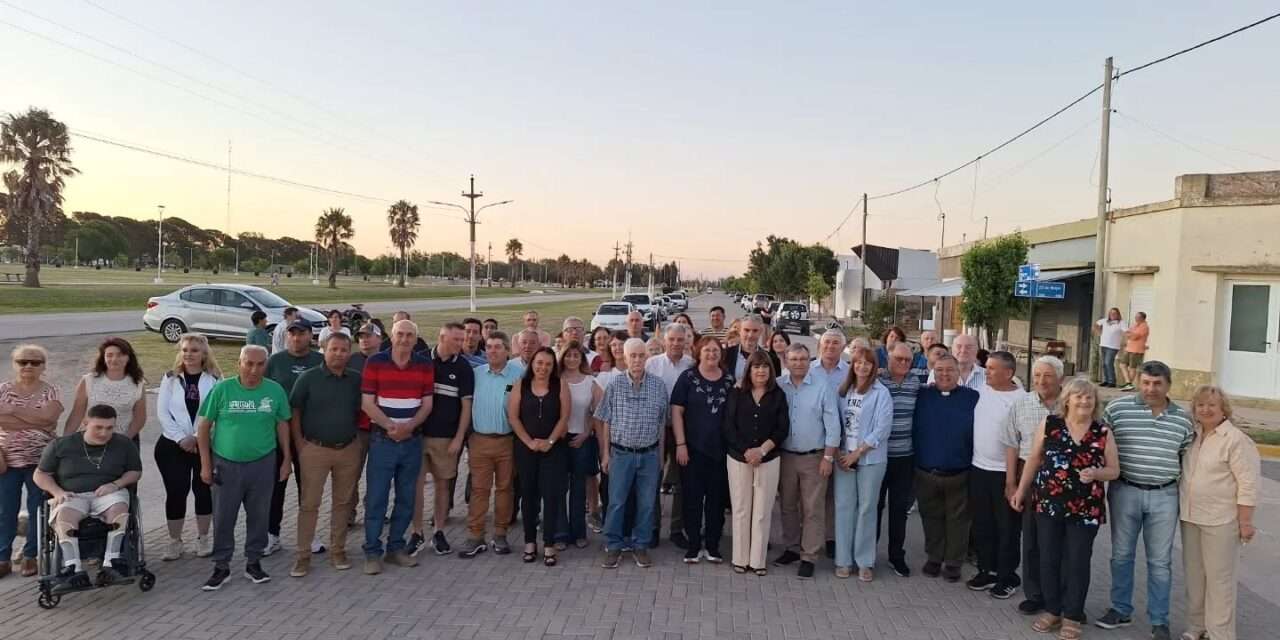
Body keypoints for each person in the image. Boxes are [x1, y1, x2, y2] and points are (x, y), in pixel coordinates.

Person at [1010, 378, 1120, 640]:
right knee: (1048, 558)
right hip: (1049, 505)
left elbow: (1114, 470)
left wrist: (1096, 473)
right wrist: (1020, 490)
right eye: (1078, 396)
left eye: (1089, 397)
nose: (1084, 401)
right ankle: (1052, 610)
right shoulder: (1050, 424)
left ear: (1095, 402)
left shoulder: (1102, 432)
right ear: (1067, 400)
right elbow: (1034, 459)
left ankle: (1072, 615)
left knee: (1078, 561)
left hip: (1086, 508)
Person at [1096, 361, 1194, 639]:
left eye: (1158, 383)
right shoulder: (1117, 410)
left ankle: (1159, 620)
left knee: (1160, 562)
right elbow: (1100, 445)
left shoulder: (1183, 419)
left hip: (1165, 496)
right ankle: (1120, 609)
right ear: (1139, 382)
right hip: (1125, 491)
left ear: (1168, 385)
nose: (1151, 389)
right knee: (1121, 555)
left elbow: (1185, 457)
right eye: (1146, 382)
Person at [196, 344, 293, 590]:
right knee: (224, 516)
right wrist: (205, 464)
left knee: (259, 515)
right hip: (226, 464)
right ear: (239, 364)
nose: (254, 369)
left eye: (260, 364)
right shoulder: (223, 389)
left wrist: (286, 459)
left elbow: (283, 424)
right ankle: (221, 566)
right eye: (249, 363)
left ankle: (254, 562)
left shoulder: (274, 391)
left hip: (262, 463)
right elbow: (204, 427)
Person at [34, 404, 142, 593]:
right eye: (98, 427)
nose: (104, 433)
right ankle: (73, 568)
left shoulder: (124, 444)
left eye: (109, 428)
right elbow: (40, 474)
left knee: (119, 508)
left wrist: (116, 484)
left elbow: (135, 472)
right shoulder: (61, 445)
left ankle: (111, 563)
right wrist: (57, 492)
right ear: (85, 423)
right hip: (73, 494)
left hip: (109, 493)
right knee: (64, 515)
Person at [1179, 385, 1259, 640]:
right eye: (1200, 405)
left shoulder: (1236, 440)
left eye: (1212, 405)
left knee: (1219, 581)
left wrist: (1245, 522)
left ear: (1223, 409)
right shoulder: (1192, 436)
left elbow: (1248, 484)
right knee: (1195, 578)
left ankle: (1220, 633)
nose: (1206, 409)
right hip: (1190, 517)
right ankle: (1197, 627)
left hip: (1221, 520)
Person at [360, 319, 435, 574]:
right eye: (400, 334)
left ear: (415, 339)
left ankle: (395, 548)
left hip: (412, 441)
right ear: (391, 337)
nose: (404, 339)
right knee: (377, 498)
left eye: (409, 335)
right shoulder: (375, 362)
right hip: (383, 441)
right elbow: (367, 403)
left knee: (406, 498)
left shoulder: (424, 365)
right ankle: (372, 552)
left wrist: (409, 427)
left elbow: (427, 404)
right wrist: (391, 426)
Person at [288, 332, 363, 577]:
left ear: (349, 353)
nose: (338, 354)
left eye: (343, 350)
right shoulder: (309, 378)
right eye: (334, 349)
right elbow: (294, 410)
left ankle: (338, 550)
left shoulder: (355, 379)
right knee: (309, 504)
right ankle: (302, 556)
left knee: (343, 503)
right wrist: (299, 444)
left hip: (348, 449)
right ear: (324, 350)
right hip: (315, 449)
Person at [595, 338, 669, 570]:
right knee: (616, 502)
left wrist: (661, 456)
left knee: (646, 503)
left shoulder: (658, 385)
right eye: (633, 356)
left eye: (641, 355)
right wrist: (605, 454)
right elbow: (606, 421)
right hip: (621, 454)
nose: (637, 360)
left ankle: (640, 545)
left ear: (647, 357)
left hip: (649, 455)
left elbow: (661, 424)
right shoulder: (614, 384)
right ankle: (613, 545)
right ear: (625, 358)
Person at [1000, 355, 1064, 613]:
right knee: (1032, 538)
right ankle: (1035, 594)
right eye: (1037, 375)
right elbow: (1011, 443)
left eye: (1048, 375)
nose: (1041, 380)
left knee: (1060, 540)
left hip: (1063, 480)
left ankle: (1060, 595)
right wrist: (1011, 482)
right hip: (1029, 474)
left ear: (1060, 378)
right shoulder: (1022, 404)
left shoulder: (1072, 403)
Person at [407, 323, 474, 557]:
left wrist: (459, 437)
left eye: (462, 339)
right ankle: (416, 532)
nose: (461, 343)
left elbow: (466, 406)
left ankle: (439, 531)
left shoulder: (463, 367)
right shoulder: (421, 359)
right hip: (418, 436)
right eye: (456, 339)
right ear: (442, 337)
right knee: (416, 485)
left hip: (446, 438)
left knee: (443, 485)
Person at [774, 344, 840, 579]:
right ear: (786, 361)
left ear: (809, 361)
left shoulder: (822, 387)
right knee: (787, 505)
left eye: (803, 359)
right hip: (785, 456)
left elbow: (833, 426)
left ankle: (809, 555)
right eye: (793, 359)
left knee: (813, 508)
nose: (798, 363)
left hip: (814, 457)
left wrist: (828, 457)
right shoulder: (778, 385)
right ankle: (791, 548)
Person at [913, 354, 979, 582]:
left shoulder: (972, 397)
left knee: (958, 521)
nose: (944, 374)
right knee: (930, 517)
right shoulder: (922, 395)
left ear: (958, 372)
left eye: (950, 370)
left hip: (960, 472)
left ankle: (953, 562)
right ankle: (934, 557)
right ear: (933, 371)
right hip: (925, 471)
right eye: (939, 369)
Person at [155, 334, 221, 561]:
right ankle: (175, 541)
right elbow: (163, 413)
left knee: (203, 491)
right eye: (185, 350)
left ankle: (203, 538)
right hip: (172, 445)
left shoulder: (215, 380)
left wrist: (195, 437)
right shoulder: (170, 378)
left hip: (203, 444)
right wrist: (181, 439)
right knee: (176, 492)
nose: (189, 354)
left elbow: (216, 413)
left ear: (204, 354)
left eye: (194, 350)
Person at [723, 350, 789, 575]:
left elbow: (782, 429)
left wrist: (761, 450)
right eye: (756, 367)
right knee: (741, 509)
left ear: (771, 370)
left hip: (768, 459)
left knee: (762, 512)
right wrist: (747, 451)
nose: (761, 371)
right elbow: (728, 426)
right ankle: (740, 558)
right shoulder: (736, 393)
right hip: (739, 458)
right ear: (749, 370)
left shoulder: (778, 395)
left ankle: (757, 561)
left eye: (765, 366)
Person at [0, 345, 63, 579]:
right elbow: (42, 421)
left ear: (43, 366)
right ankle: (3, 557)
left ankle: (30, 555)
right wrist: (37, 420)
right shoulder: (2, 389)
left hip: (41, 460)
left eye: (35, 362)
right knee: (5, 509)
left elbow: (50, 419)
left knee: (39, 508)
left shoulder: (51, 391)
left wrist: (11, 411)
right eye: (23, 361)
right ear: (14, 364)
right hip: (6, 459)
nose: (28, 366)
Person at [671, 335, 733, 565]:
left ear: (721, 354)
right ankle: (694, 544)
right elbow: (676, 411)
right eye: (707, 350)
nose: (711, 354)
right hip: (692, 450)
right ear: (699, 353)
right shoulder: (687, 378)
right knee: (692, 499)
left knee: (716, 501)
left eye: (715, 350)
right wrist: (681, 444)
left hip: (720, 452)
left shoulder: (729, 380)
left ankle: (713, 545)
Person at [832, 346, 893, 581]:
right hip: (843, 458)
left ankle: (865, 561)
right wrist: (840, 452)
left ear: (874, 366)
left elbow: (882, 429)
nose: (862, 366)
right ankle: (843, 560)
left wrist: (857, 453)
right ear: (852, 365)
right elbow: (835, 423)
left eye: (867, 363)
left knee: (867, 508)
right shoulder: (843, 391)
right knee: (844, 507)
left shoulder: (881, 393)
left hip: (870, 459)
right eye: (858, 362)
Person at [461, 331, 523, 558]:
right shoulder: (476, 374)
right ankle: (475, 535)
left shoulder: (518, 375)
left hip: (507, 441)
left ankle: (500, 534)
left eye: (498, 347)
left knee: (505, 489)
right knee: (479, 490)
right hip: (479, 441)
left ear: (507, 351)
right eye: (489, 347)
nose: (492, 351)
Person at [265, 321, 324, 556]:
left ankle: (309, 535)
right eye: (292, 334)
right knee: (275, 487)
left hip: (309, 436)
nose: (296, 338)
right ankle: (272, 535)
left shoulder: (319, 360)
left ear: (310, 335)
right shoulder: (275, 361)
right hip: (277, 435)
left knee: (308, 487)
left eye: (301, 334)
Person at [967, 351, 1024, 594]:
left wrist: (1014, 481)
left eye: (991, 368)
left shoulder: (1021, 400)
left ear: (1008, 373)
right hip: (979, 469)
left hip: (1006, 474)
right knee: (982, 524)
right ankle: (986, 570)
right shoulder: (981, 391)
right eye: (986, 367)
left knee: (1007, 528)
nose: (986, 372)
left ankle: (1007, 576)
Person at [507, 347, 570, 565]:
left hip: (553, 450)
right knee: (528, 495)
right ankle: (530, 542)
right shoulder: (521, 385)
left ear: (553, 367)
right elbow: (513, 417)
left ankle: (549, 544)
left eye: (548, 364)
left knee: (551, 497)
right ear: (532, 363)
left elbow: (564, 417)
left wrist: (550, 442)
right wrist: (529, 442)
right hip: (526, 449)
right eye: (539, 363)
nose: (543, 367)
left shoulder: (560, 385)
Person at [645, 324, 694, 548]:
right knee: (653, 478)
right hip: (656, 429)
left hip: (682, 430)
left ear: (686, 341)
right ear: (664, 341)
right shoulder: (652, 364)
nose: (675, 343)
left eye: (680, 340)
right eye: (672, 339)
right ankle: (653, 527)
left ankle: (676, 529)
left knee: (682, 481)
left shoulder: (691, 365)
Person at [876, 342, 921, 577]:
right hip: (878, 457)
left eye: (907, 360)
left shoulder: (916, 383)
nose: (903, 363)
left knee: (899, 509)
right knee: (874, 507)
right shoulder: (877, 381)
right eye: (898, 359)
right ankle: (868, 554)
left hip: (905, 457)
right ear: (888, 358)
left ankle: (896, 556)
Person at [555, 342, 602, 549]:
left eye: (576, 355)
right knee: (558, 487)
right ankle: (559, 533)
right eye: (568, 355)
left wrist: (586, 432)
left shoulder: (590, 381)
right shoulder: (554, 380)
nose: (572, 359)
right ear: (562, 357)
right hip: (558, 440)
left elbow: (599, 410)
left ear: (582, 359)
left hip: (581, 439)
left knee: (578, 488)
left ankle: (579, 532)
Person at [812, 328, 849, 558]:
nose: (830, 347)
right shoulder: (809, 369)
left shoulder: (850, 372)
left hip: (842, 442)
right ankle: (811, 538)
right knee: (813, 495)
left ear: (843, 347)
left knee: (836, 495)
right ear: (820, 345)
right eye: (827, 342)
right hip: (816, 441)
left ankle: (831, 538)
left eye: (836, 343)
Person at [63, 337, 146, 439]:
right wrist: (65, 440)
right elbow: (76, 414)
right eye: (109, 355)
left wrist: (125, 440)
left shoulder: (138, 384)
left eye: (120, 355)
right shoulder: (88, 380)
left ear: (128, 357)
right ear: (103, 358)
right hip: (91, 438)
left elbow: (139, 418)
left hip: (124, 438)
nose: (114, 359)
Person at [722, 314, 780, 381]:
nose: (750, 335)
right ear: (740, 331)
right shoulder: (725, 355)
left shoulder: (772, 359)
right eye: (746, 330)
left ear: (761, 332)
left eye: (755, 331)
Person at [1093, 307, 1127, 388]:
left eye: (1114, 313)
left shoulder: (1121, 323)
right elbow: (1096, 324)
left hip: (1113, 346)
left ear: (1118, 314)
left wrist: (1126, 342)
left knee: (1108, 362)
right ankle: (1106, 380)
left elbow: (1126, 332)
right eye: (1111, 313)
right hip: (1103, 344)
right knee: (1104, 363)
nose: (1112, 314)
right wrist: (1099, 332)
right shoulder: (1105, 320)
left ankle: (1112, 381)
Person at [1118, 312, 1149, 392]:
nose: (1136, 318)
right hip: (1129, 348)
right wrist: (1129, 334)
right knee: (1122, 364)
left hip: (1137, 350)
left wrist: (1129, 334)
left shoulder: (1144, 326)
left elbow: (1134, 336)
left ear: (1143, 318)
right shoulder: (1135, 325)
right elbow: (1128, 333)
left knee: (1132, 367)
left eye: (1138, 317)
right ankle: (1128, 383)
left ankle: (1128, 384)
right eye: (1136, 317)